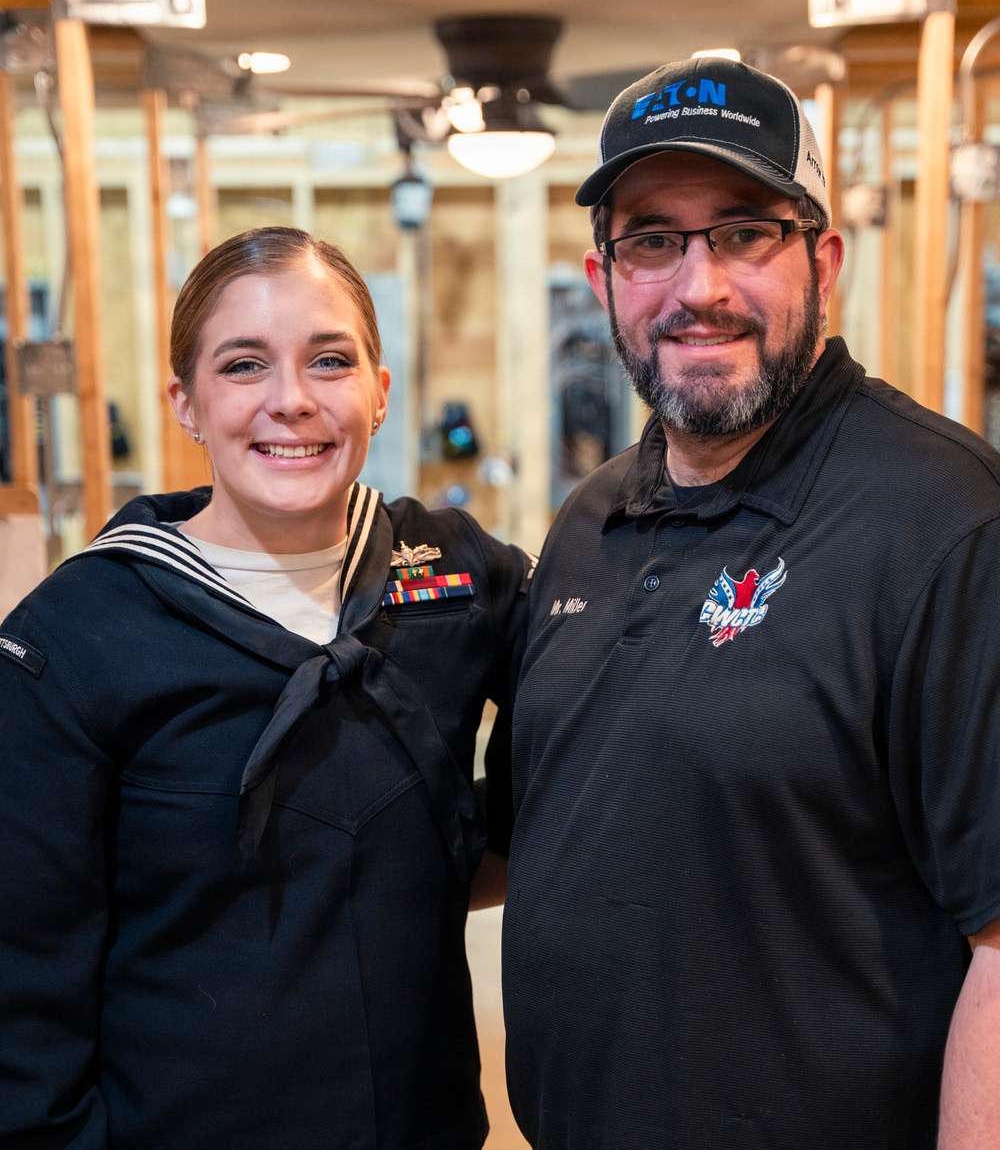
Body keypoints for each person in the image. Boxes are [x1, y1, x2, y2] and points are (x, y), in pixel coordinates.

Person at [497, 57, 1000, 1150]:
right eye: (652, 241)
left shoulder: (944, 519)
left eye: (742, 232)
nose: (699, 288)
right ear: (602, 277)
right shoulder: (590, 519)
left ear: (824, 260)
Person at [0, 227, 530, 1149]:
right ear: (186, 403)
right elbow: (23, 978)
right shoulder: (77, 635)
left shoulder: (455, 573)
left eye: (330, 360)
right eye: (244, 365)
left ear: (379, 391)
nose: (292, 400)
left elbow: (600, 712)